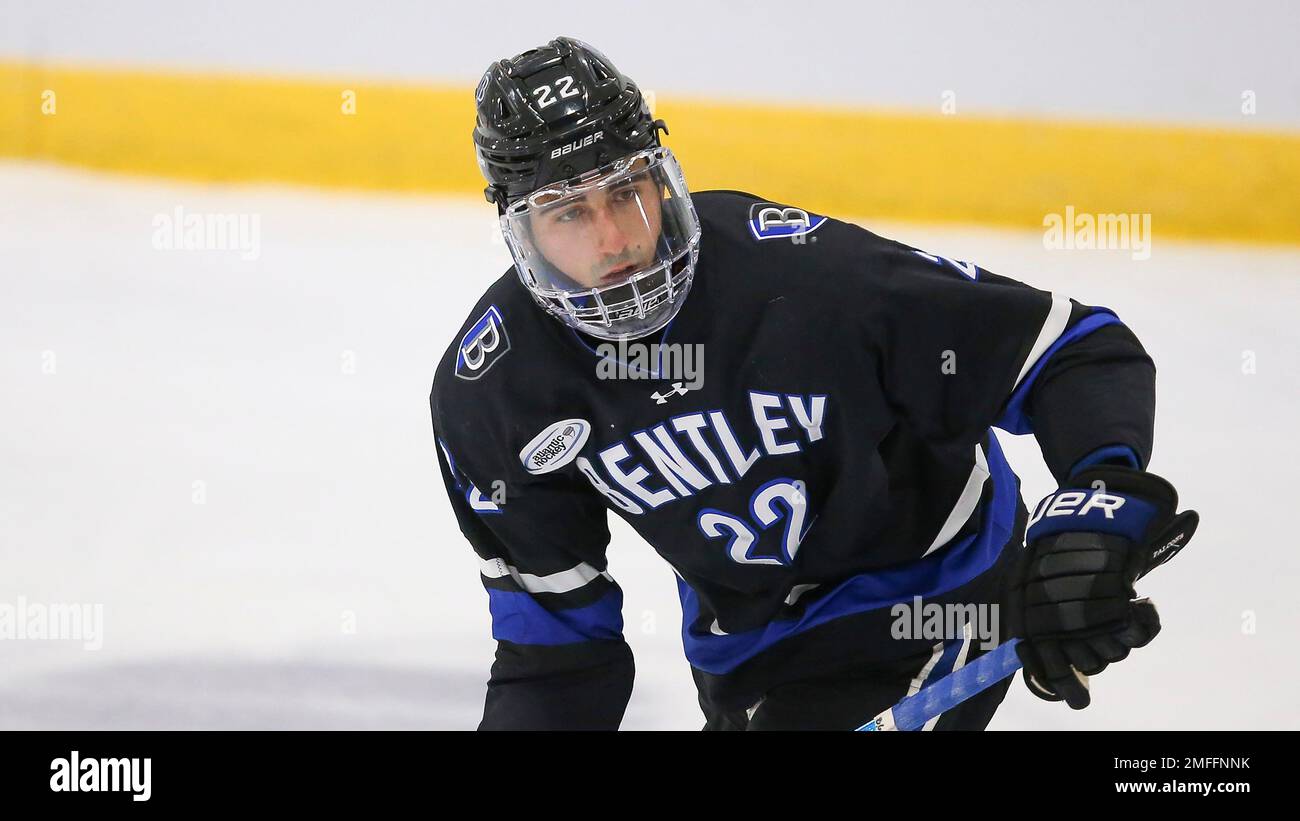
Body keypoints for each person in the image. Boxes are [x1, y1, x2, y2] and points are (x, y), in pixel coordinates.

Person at [430, 36, 1198, 730]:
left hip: (936, 592)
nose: (612, 239)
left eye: (626, 192)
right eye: (568, 213)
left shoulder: (805, 276)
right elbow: (560, 659)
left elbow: (1073, 350)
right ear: (519, 231)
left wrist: (1095, 507)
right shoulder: (497, 394)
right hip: (748, 649)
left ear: (661, 180)